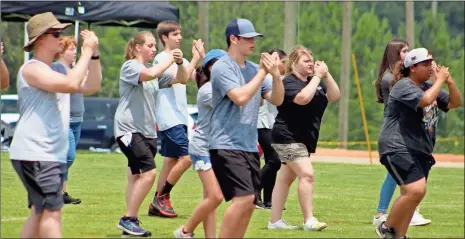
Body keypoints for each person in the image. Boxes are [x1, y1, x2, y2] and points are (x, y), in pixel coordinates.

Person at [9, 12, 99, 238]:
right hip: (36, 152)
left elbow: (91, 86)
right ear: (40, 39)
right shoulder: (31, 69)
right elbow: (70, 84)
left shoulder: (58, 69)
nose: (62, 38)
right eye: (56, 33)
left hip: (47, 154)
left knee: (39, 214)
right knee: (52, 213)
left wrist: (94, 55)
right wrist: (86, 51)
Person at [209, 18, 284, 238]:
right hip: (225, 143)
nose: (253, 42)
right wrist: (263, 73)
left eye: (254, 38)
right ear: (233, 39)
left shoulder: (253, 69)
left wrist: (276, 76)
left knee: (250, 202)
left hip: (248, 145)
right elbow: (240, 97)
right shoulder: (223, 66)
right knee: (242, 199)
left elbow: (277, 100)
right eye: (248, 38)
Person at [375, 48, 462, 239]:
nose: (431, 67)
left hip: (419, 148)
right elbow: (425, 100)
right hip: (397, 144)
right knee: (416, 189)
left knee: (413, 195)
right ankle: (386, 227)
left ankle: (398, 235)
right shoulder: (403, 85)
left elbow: (455, 102)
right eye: (426, 64)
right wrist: (439, 81)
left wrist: (449, 81)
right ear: (412, 67)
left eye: (431, 63)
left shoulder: (428, 87)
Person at [114, 31, 183, 237]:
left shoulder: (151, 71)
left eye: (154, 46)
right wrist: (170, 57)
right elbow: (150, 75)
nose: (154, 49)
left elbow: (182, 78)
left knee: (135, 175)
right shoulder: (131, 67)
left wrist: (182, 62)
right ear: (137, 48)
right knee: (150, 173)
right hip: (129, 129)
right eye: (150, 46)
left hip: (147, 132)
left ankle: (129, 222)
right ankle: (129, 219)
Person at [267, 45, 340, 231]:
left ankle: (275, 222)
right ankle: (309, 220)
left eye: (312, 60)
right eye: (306, 61)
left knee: (285, 178)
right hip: (286, 136)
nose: (311, 64)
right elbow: (302, 99)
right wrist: (316, 77)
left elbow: (334, 95)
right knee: (307, 174)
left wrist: (325, 75)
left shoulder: (315, 82)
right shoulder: (289, 82)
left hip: (303, 139)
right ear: (294, 63)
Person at [148, 21, 205, 218]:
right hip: (168, 116)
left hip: (179, 116)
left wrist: (201, 58)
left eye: (180, 33)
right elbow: (181, 78)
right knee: (187, 157)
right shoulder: (160, 59)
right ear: (164, 38)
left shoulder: (180, 57)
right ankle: (162, 197)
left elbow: (193, 77)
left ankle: (156, 202)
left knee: (171, 161)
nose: (180, 37)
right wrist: (193, 59)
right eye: (175, 34)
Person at [372, 39, 432, 227]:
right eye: (404, 51)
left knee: (404, 178)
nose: (408, 53)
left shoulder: (396, 78)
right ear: (395, 54)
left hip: (406, 131)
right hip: (398, 132)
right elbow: (417, 101)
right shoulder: (393, 80)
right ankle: (384, 213)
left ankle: (394, 214)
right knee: (399, 177)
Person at [173, 49, 226, 238]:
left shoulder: (222, 87)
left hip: (216, 148)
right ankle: (185, 231)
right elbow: (237, 103)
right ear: (211, 67)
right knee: (216, 197)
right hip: (202, 147)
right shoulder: (209, 90)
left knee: (210, 199)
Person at [52, 35, 102, 205]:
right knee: (69, 156)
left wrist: (92, 54)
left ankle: (62, 192)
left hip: (77, 120)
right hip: (63, 120)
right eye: (71, 49)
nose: (74, 52)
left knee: (67, 156)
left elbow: (92, 82)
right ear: (61, 51)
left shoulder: (74, 69)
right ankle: (53, 188)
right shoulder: (58, 69)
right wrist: (85, 55)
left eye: (75, 48)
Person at [256, 49, 287, 210]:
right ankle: (253, 190)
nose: (286, 65)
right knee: (274, 161)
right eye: (284, 62)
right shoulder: (265, 77)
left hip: (272, 124)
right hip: (262, 123)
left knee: (273, 162)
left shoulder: (280, 79)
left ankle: (269, 200)